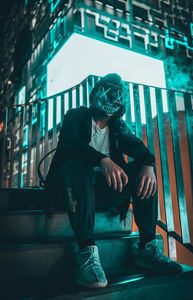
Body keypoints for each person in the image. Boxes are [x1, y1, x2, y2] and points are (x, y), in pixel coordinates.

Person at [45, 73, 182, 289]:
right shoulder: (76, 116)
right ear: (98, 92)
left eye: (119, 94)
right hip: (70, 192)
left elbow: (139, 148)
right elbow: (70, 145)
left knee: (142, 171)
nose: (115, 98)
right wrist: (102, 159)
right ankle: (86, 253)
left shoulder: (118, 127)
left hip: (99, 195)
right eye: (110, 92)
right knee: (76, 164)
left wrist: (148, 165)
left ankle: (147, 249)